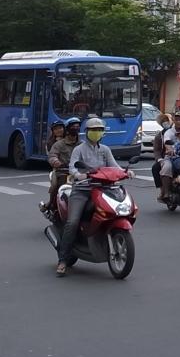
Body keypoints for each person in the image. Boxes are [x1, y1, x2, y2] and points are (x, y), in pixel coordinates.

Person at [56, 118, 120, 276]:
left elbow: (114, 166)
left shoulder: (105, 149)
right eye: (94, 130)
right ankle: (63, 260)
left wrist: (126, 172)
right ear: (87, 132)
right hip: (82, 190)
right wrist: (79, 175)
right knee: (72, 222)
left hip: (103, 189)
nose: (97, 132)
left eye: (100, 130)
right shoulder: (79, 149)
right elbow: (73, 167)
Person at [40, 118, 78, 215]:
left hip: (77, 171)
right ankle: (51, 203)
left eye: (60, 128)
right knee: (55, 185)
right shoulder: (54, 144)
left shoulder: (79, 142)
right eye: (56, 129)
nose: (59, 130)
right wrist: (57, 162)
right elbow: (51, 156)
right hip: (61, 170)